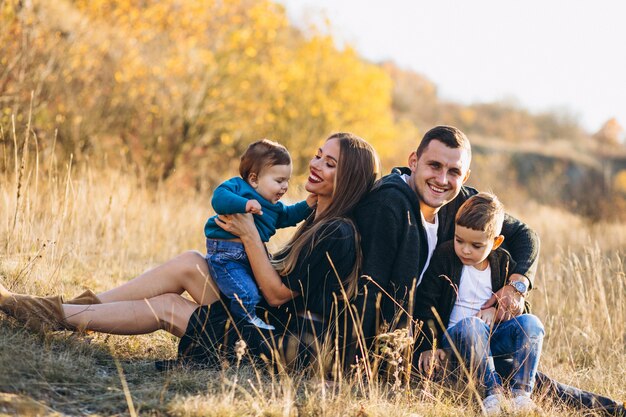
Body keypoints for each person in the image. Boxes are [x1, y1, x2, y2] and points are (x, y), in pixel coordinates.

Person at [0, 132, 380, 371]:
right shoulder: (317, 217)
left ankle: (57, 315)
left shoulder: (337, 233)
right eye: (318, 155)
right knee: (188, 262)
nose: (315, 165)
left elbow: (280, 297)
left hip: (270, 342)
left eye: (330, 164)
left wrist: (249, 235)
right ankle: (62, 308)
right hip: (259, 316)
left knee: (168, 306)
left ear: (347, 178)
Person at [353, 125, 624, 417]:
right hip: (419, 353)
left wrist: (516, 286)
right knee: (510, 378)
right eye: (434, 165)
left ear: (465, 176)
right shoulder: (391, 205)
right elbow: (372, 291)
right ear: (414, 161)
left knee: (533, 381)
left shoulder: (459, 203)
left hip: (473, 344)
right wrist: (378, 364)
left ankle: (613, 410)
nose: (442, 179)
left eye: (454, 171)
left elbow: (525, 235)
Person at [414, 192, 545, 415]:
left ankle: (521, 394)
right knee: (471, 325)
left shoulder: (502, 262)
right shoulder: (445, 256)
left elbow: (520, 307)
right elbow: (426, 302)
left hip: (492, 340)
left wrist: (496, 312)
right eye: (459, 240)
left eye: (476, 245)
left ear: (496, 242)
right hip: (455, 340)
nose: (465, 249)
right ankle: (492, 393)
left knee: (532, 323)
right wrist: (428, 345)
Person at [203, 138, 315, 330]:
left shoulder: (274, 207)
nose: (285, 187)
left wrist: (309, 204)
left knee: (256, 291)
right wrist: (244, 205)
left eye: (287, 181)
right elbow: (219, 197)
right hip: (227, 254)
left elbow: (289, 215)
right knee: (247, 294)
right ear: (254, 179)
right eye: (279, 181)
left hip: (249, 257)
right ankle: (247, 326)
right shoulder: (239, 188)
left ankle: (235, 321)